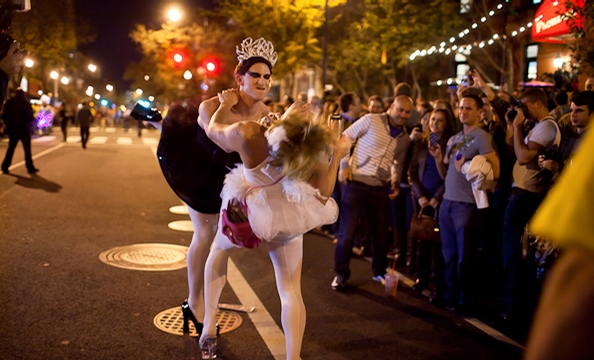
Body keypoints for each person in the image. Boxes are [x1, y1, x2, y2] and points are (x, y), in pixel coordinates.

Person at [145, 38, 278, 339]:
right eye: (255, 75)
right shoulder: (211, 106)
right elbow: (220, 139)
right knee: (205, 235)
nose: (262, 81)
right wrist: (228, 108)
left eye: (267, 76)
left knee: (224, 244)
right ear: (239, 77)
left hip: (236, 182)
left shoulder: (269, 114)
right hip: (201, 173)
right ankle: (195, 304)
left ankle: (209, 302)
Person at [200, 96, 347, 359]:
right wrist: (336, 155)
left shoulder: (252, 134)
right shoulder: (311, 153)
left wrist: (224, 104)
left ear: (284, 125)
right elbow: (324, 195)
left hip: (247, 213)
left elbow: (213, 129)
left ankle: (208, 329)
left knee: (218, 252)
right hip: (289, 217)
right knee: (290, 290)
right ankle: (292, 357)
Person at [332, 95, 413, 290]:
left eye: (407, 112)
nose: (403, 115)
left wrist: (394, 180)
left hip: (380, 187)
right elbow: (346, 138)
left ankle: (379, 271)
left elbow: (398, 163)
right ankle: (341, 274)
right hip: (356, 182)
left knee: (381, 235)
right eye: (400, 109)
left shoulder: (404, 137)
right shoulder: (371, 119)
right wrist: (344, 165)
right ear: (391, 106)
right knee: (347, 234)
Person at [436, 93, 500, 312]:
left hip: (466, 205)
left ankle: (466, 301)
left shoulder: (482, 138)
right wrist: (437, 158)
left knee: (465, 257)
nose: (463, 111)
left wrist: (469, 169)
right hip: (447, 202)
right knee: (449, 255)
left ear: (480, 112)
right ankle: (448, 296)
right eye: (461, 108)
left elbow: (496, 170)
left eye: (469, 108)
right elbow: (445, 174)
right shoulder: (454, 139)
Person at [408, 109, 455, 295]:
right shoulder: (421, 143)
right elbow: (412, 171)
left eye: (440, 120)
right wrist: (420, 196)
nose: (435, 123)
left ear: (446, 123)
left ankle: (439, 283)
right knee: (423, 240)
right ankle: (422, 278)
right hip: (422, 198)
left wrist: (437, 197)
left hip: (441, 197)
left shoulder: (450, 143)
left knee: (441, 242)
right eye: (433, 119)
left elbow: (450, 175)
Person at [1, 88, 37, 174]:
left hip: (13, 130)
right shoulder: (25, 104)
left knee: (11, 149)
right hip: (24, 129)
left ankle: (5, 166)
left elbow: (3, 115)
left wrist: (9, 124)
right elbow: (30, 117)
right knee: (27, 150)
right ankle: (30, 167)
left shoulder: (10, 103)